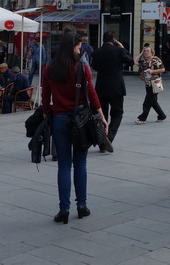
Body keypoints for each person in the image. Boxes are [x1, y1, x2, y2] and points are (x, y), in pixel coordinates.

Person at [42, 31, 108, 225]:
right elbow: (92, 94)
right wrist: (102, 117)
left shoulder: (49, 69)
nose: (80, 50)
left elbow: (46, 99)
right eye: (79, 47)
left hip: (59, 119)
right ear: (72, 47)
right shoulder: (81, 68)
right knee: (80, 164)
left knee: (63, 165)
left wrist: (47, 117)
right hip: (80, 121)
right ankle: (82, 206)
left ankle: (63, 209)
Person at [91, 31, 132, 153]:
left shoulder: (96, 52)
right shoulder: (119, 51)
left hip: (101, 88)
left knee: (102, 115)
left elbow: (95, 67)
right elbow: (130, 62)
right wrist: (123, 49)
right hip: (116, 88)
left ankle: (102, 142)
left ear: (102, 39)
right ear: (114, 40)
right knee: (117, 114)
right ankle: (109, 138)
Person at [134, 45, 167, 124]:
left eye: (147, 51)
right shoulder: (144, 60)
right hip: (147, 84)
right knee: (153, 101)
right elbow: (135, 61)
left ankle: (143, 118)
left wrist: (152, 71)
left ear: (152, 52)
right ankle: (162, 116)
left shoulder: (156, 59)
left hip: (155, 83)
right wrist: (141, 53)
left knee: (147, 102)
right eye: (145, 51)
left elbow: (163, 69)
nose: (146, 52)